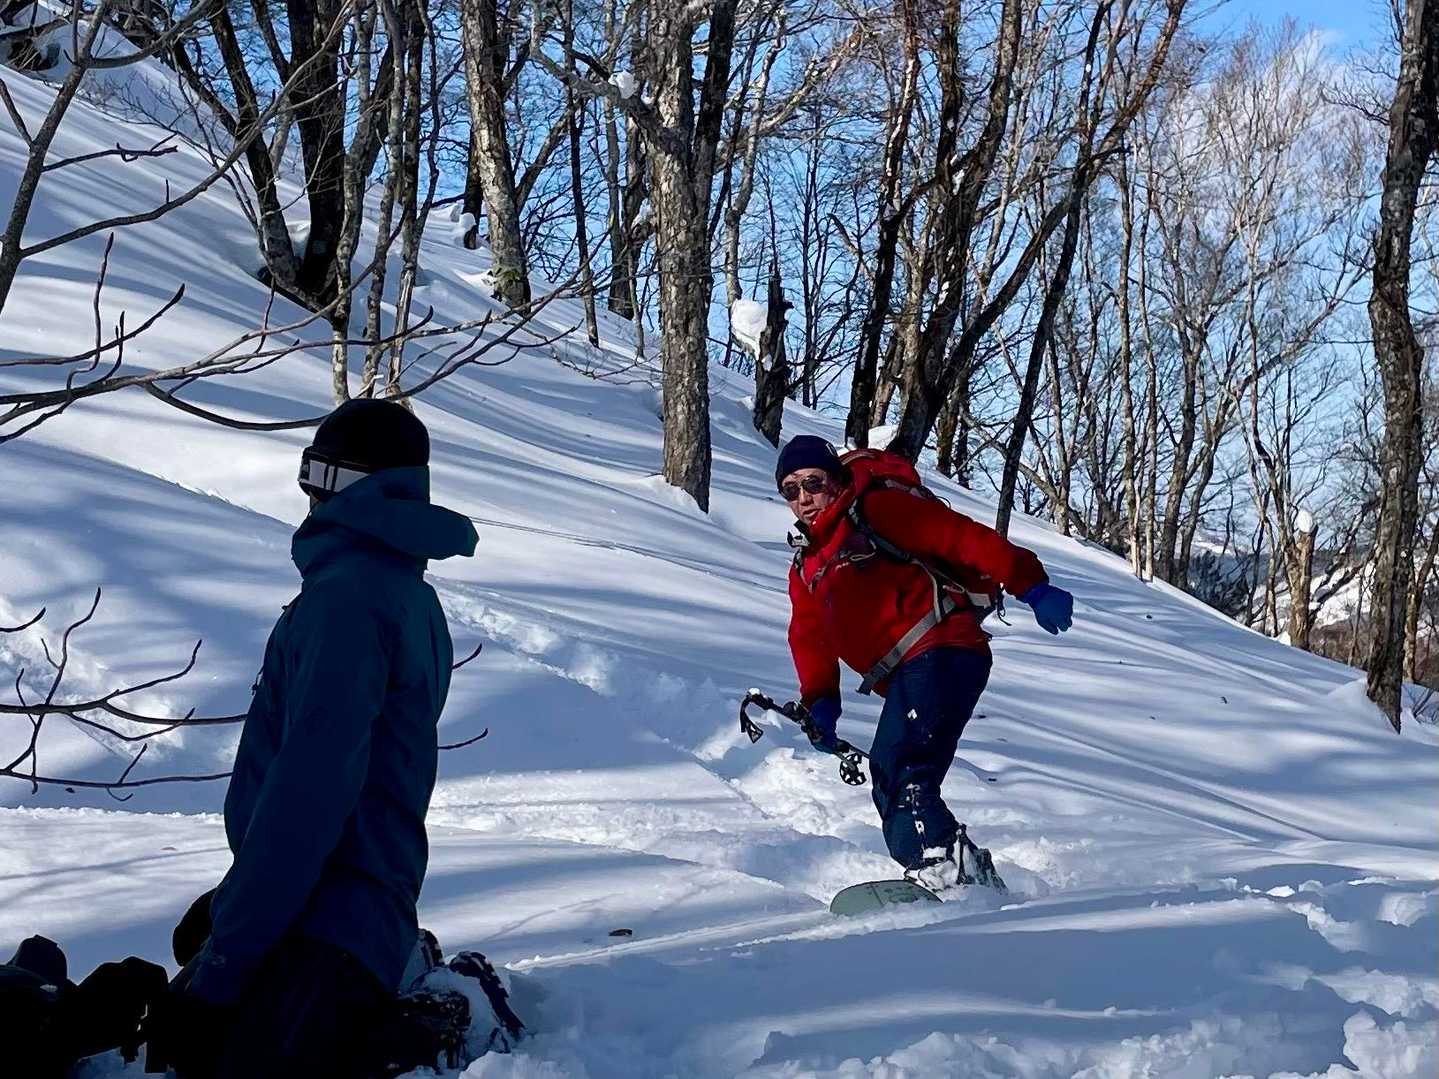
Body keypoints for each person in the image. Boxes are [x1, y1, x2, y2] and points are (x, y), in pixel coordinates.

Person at [144, 399, 478, 1078]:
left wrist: (226, 964)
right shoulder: (403, 593)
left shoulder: (347, 602)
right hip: (334, 901)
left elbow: (308, 798)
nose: (308, 496)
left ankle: (432, 1013)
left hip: (333, 920)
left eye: (319, 475)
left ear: (352, 485)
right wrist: (234, 904)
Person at [778, 434, 1073, 892]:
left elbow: (962, 538)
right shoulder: (808, 566)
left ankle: (944, 872)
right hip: (908, 670)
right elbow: (808, 637)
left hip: (944, 646)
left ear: (834, 480)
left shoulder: (876, 509)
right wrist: (820, 701)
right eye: (790, 490)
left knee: (903, 765)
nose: (803, 498)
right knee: (890, 772)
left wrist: (1031, 585)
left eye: (813, 483)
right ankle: (964, 875)